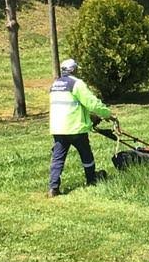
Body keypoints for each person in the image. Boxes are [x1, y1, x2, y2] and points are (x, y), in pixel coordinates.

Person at [48, 58, 113, 197]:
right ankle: (91, 179)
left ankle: (53, 187)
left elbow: (69, 105)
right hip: (75, 128)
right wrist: (107, 114)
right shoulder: (76, 84)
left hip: (58, 128)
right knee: (86, 154)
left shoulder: (55, 85)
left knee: (58, 157)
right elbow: (92, 103)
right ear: (75, 70)